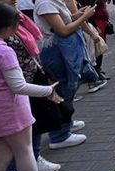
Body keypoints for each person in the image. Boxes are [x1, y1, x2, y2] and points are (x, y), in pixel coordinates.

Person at [0, 3, 60, 171]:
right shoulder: (3, 50)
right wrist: (48, 90)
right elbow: (18, 85)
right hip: (10, 108)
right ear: (7, 27)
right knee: (24, 150)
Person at [35, 0, 95, 149]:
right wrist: (84, 16)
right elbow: (62, 30)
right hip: (55, 51)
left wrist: (78, 15)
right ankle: (59, 135)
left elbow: (65, 20)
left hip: (64, 48)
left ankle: (66, 124)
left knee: (69, 86)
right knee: (62, 87)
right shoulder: (45, 3)